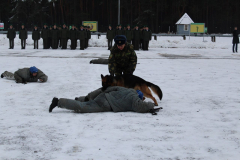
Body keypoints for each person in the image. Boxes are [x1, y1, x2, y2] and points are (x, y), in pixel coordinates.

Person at [49, 86, 158, 114]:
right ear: (139, 96)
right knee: (83, 108)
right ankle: (58, 102)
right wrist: (151, 105)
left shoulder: (126, 89)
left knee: (87, 101)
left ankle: (79, 99)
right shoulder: (135, 99)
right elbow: (140, 107)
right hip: (106, 104)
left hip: (103, 96)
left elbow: (110, 88)